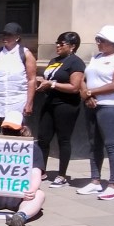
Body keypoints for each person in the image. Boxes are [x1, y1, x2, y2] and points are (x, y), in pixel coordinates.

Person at [78, 25, 114, 201]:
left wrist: (91, 93)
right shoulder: (97, 57)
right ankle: (95, 181)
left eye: (101, 41)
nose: (98, 43)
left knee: (112, 144)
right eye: (98, 39)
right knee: (94, 143)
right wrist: (86, 95)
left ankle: (113, 185)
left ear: (112, 42)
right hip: (92, 104)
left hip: (111, 106)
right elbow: (83, 79)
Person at [34, 31, 86, 188]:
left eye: (61, 43)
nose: (57, 45)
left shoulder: (76, 63)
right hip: (50, 102)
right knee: (43, 137)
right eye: (57, 42)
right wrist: (43, 83)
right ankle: (41, 171)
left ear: (72, 46)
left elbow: (74, 87)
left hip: (66, 105)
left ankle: (62, 175)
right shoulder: (54, 61)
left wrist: (52, 84)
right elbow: (50, 80)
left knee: (63, 139)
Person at [0, 22, 36, 135]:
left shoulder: (26, 54)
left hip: (17, 102)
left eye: (9, 35)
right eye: (4, 34)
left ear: (17, 37)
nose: (5, 37)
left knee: (13, 135)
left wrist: (29, 103)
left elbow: (31, 80)